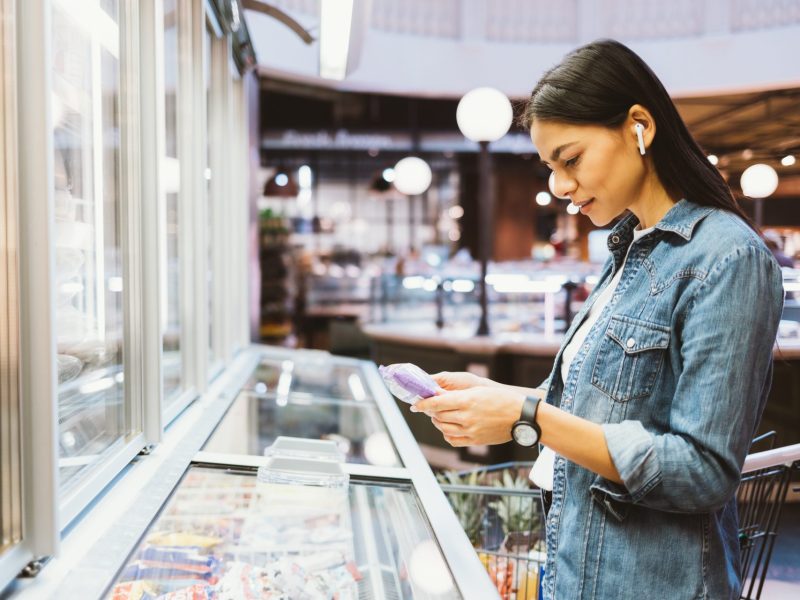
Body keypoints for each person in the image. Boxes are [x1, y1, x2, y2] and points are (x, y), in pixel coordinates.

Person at [412, 40, 784, 600]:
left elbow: (702, 470)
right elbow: (602, 400)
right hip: (582, 570)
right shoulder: (627, 251)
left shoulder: (728, 258)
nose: (559, 186)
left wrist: (529, 415)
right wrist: (502, 398)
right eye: (550, 166)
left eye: (571, 159)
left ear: (639, 126)